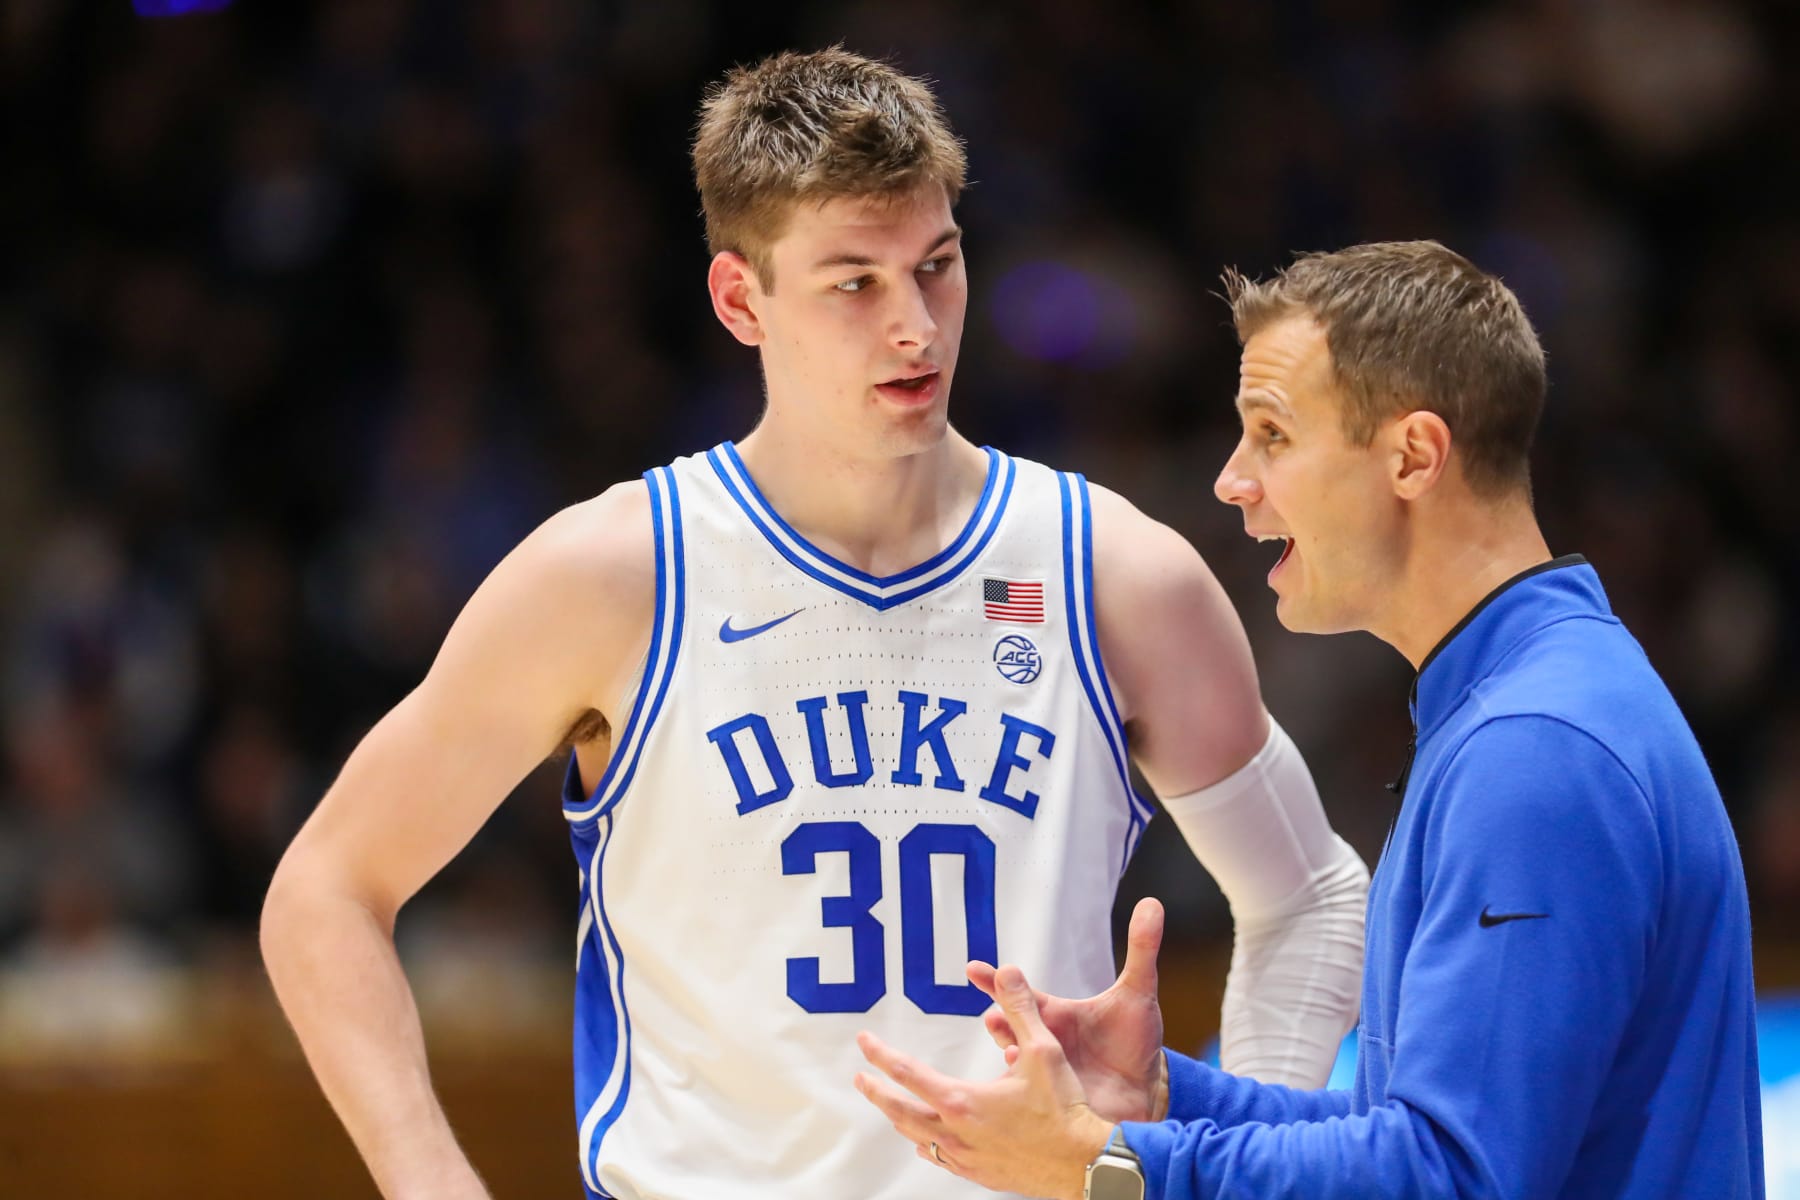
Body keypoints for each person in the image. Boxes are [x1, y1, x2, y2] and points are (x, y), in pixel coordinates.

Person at [259, 49, 1369, 1200]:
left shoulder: (1117, 577)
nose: (916, 328)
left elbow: (1313, 895)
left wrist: (1230, 1165)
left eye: (936, 268)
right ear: (743, 300)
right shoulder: (616, 574)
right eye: (855, 283)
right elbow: (325, 891)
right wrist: (431, 1180)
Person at [855, 240, 1765, 1199]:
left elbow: (1454, 1180)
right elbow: (1423, 1132)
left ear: (1413, 456)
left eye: (1273, 434)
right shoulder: (1537, 701)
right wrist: (1164, 1098)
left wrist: (1111, 1171)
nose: (1233, 480)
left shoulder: (1536, 750)